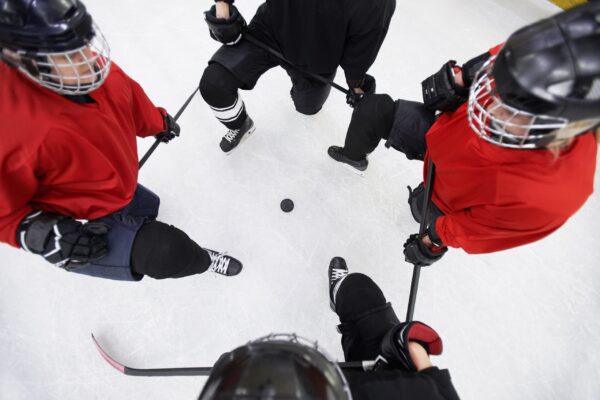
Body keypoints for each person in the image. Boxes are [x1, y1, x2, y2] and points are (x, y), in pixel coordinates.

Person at [327, 3, 600, 265]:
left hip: (452, 196)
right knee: (375, 110)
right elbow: (497, 56)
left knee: (422, 208)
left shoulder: (552, 196)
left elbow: (476, 228)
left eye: (514, 111)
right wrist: (463, 78)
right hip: (444, 132)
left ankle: (420, 202)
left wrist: (434, 240)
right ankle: (355, 156)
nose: (488, 103)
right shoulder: (538, 54)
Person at [0, 0, 242, 281]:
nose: (88, 60)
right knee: (167, 251)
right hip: (78, 226)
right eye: (66, 54)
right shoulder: (11, 132)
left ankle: (135, 216)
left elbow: (128, 98)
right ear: (23, 61)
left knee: (146, 206)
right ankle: (198, 259)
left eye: (82, 44)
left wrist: (158, 122)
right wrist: (39, 234)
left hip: (118, 186)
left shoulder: (97, 70)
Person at [196, 256, 460, 399]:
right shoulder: (421, 394)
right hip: (374, 383)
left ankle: (341, 294)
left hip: (349, 386)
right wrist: (404, 350)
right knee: (360, 290)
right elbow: (426, 378)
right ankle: (345, 295)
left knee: (356, 289)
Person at [199, 0, 396, 153]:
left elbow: (362, 50)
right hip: (269, 31)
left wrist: (356, 83)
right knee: (214, 83)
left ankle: (304, 93)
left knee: (308, 108)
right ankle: (240, 125)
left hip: (317, 58)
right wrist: (222, 5)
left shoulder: (376, 4)